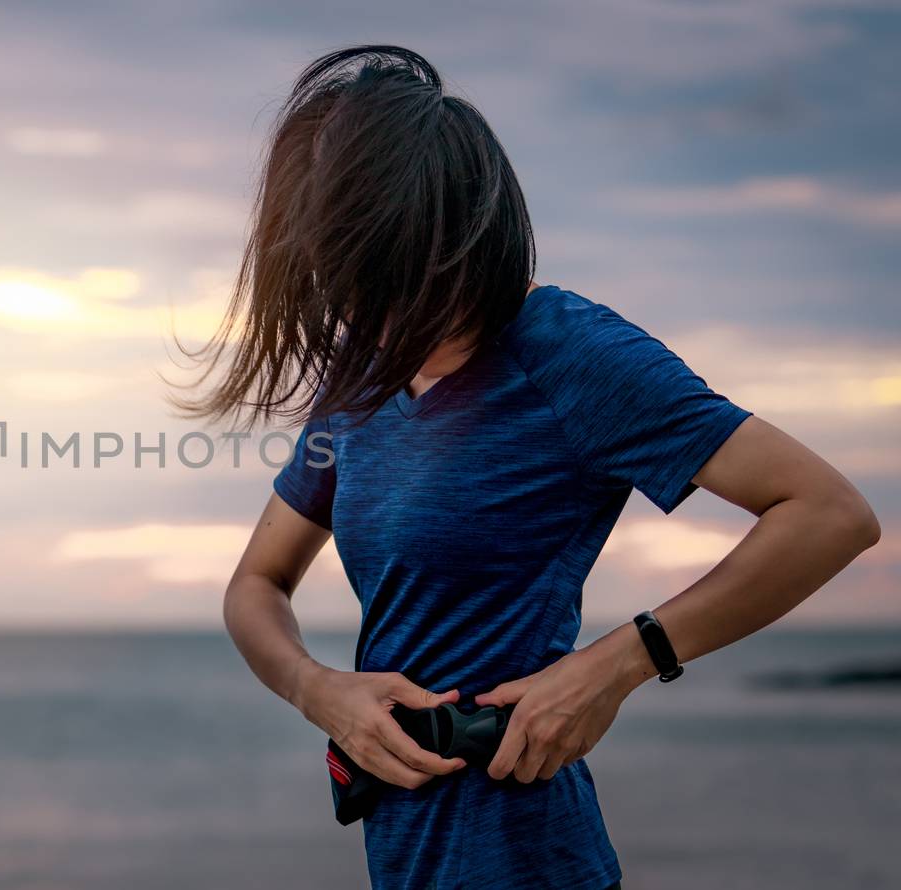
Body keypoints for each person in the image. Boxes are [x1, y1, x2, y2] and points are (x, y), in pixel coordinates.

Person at [180, 46, 882, 890]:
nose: (349, 299)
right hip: (403, 856)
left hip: (528, 854)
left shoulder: (566, 350)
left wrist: (620, 663)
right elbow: (256, 582)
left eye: (371, 265)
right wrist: (316, 690)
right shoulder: (361, 380)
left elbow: (830, 513)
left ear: (443, 230)